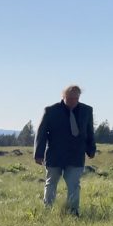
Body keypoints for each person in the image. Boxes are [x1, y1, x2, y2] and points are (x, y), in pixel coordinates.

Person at [34, 84, 96, 216]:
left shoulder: (86, 111)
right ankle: (47, 210)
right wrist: (38, 154)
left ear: (79, 97)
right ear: (63, 97)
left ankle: (73, 211)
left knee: (74, 184)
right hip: (55, 155)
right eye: (69, 98)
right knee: (51, 183)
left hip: (76, 155)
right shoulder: (51, 111)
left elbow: (89, 132)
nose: (72, 101)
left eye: (75, 98)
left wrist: (91, 149)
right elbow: (41, 133)